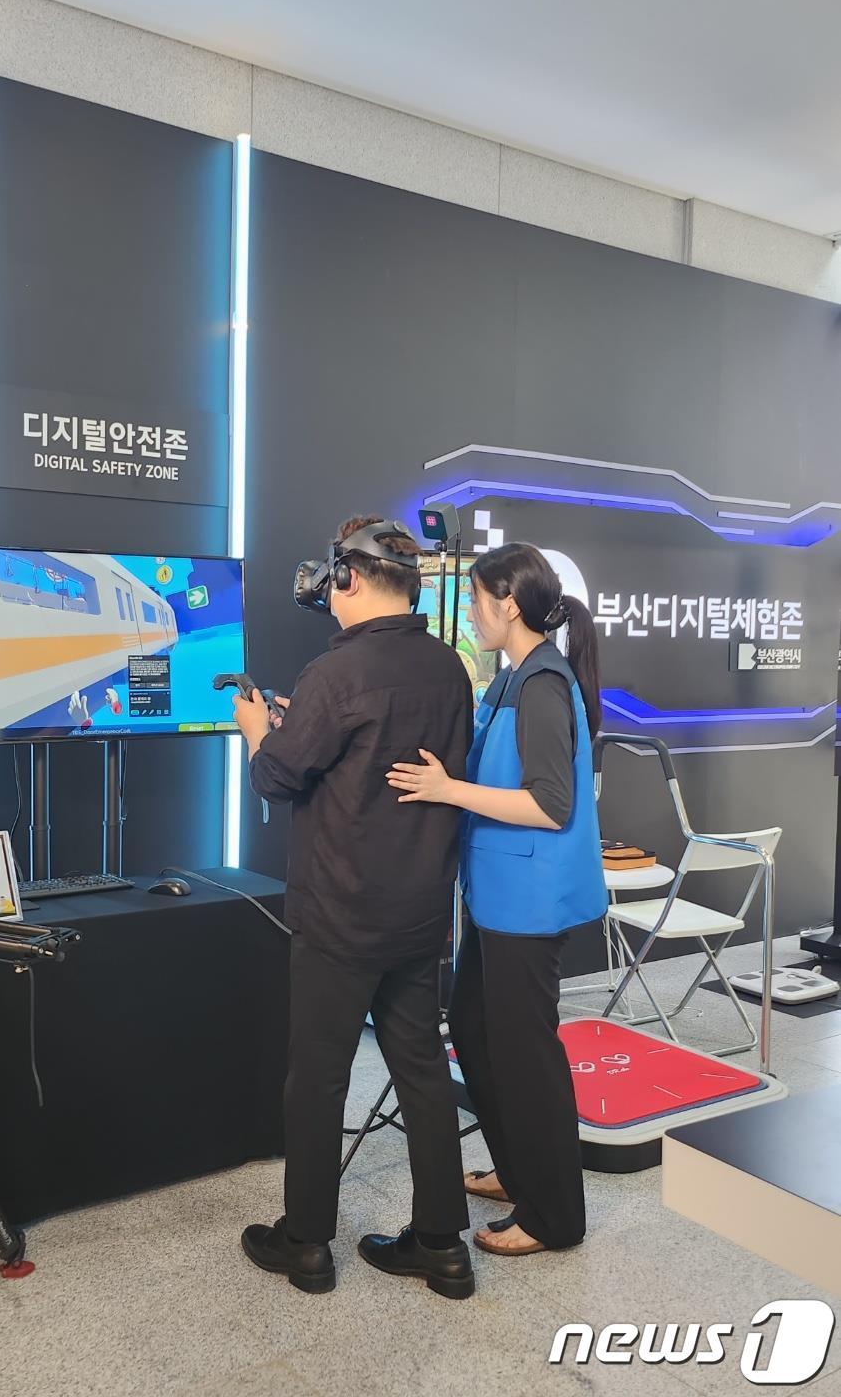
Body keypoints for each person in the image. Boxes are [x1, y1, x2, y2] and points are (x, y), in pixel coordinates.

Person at [233, 515, 475, 1298]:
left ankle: (306, 1242)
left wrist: (257, 731)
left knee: (318, 1078)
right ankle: (442, 1245)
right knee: (423, 1070)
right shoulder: (449, 667)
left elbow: (278, 777)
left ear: (350, 577)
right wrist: (295, 726)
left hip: (340, 913)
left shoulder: (335, 674)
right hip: (419, 908)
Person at [386, 542, 607, 1258]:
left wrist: (449, 791)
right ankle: (519, 1174)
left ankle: (555, 1217)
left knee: (525, 1055)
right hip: (497, 896)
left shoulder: (543, 684)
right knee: (477, 1033)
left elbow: (549, 804)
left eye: (478, 601)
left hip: (529, 902)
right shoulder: (510, 677)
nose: (472, 614)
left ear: (508, 604)